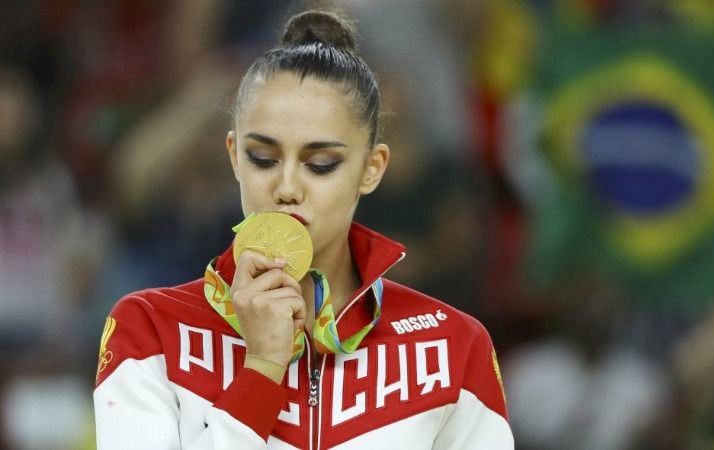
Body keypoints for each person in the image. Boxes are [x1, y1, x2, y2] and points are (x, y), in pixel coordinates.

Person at [93, 9, 514, 449]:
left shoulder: (452, 348)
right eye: (263, 158)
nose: (287, 188)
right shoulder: (149, 331)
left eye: (320, 164)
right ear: (234, 156)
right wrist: (261, 370)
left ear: (372, 169)